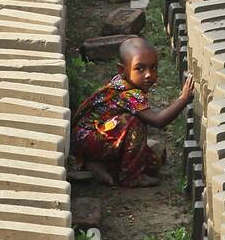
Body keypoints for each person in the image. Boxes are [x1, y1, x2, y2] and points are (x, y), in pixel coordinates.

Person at [70, 37, 194, 188]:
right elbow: (158, 121)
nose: (148, 74)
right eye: (140, 68)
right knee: (136, 122)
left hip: (86, 139)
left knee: (153, 162)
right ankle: (130, 177)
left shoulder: (122, 82)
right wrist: (183, 99)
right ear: (122, 69)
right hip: (89, 138)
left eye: (153, 68)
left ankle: (97, 165)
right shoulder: (128, 94)